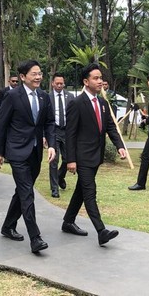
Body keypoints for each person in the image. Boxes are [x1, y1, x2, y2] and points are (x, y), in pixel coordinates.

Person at [0, 60, 56, 253]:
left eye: (40, 73)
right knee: (27, 192)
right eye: (34, 74)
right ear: (22, 77)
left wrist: (52, 144)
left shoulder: (44, 96)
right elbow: (1, 125)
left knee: (22, 191)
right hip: (17, 151)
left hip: (36, 152)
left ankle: (8, 225)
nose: (38, 77)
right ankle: (35, 238)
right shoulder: (12, 96)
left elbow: (50, 123)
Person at [62, 63, 127, 247]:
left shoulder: (103, 103)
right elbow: (70, 134)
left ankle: (68, 221)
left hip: (96, 156)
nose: (100, 81)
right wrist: (71, 159)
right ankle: (101, 231)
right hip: (82, 157)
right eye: (96, 78)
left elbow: (110, 127)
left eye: (101, 78)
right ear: (86, 81)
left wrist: (119, 145)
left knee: (81, 191)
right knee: (90, 192)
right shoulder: (76, 103)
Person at [48, 72, 73, 198]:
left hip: (67, 131)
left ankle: (60, 176)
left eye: (61, 83)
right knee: (54, 160)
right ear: (52, 83)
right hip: (54, 131)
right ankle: (54, 188)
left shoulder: (70, 97)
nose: (59, 85)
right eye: (57, 83)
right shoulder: (48, 97)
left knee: (68, 158)